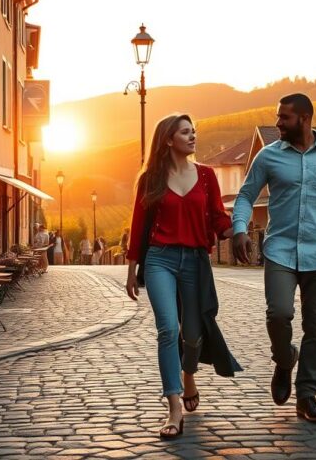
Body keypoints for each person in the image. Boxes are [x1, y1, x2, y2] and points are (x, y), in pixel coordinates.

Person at [232, 93, 316, 424]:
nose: (278, 122)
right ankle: (284, 358)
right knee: (278, 313)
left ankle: (307, 396)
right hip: (280, 250)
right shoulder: (268, 156)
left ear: (304, 119)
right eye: (278, 116)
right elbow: (246, 195)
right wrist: (240, 229)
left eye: (284, 117)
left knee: (315, 326)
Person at [126, 113, 242, 440]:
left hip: (195, 261)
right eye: (185, 132)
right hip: (159, 259)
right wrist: (132, 271)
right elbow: (138, 225)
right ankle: (173, 407)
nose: (193, 137)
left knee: (192, 334)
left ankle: (188, 375)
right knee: (167, 329)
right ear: (168, 139)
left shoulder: (206, 175)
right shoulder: (150, 179)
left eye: (194, 131)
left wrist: (238, 231)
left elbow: (219, 217)